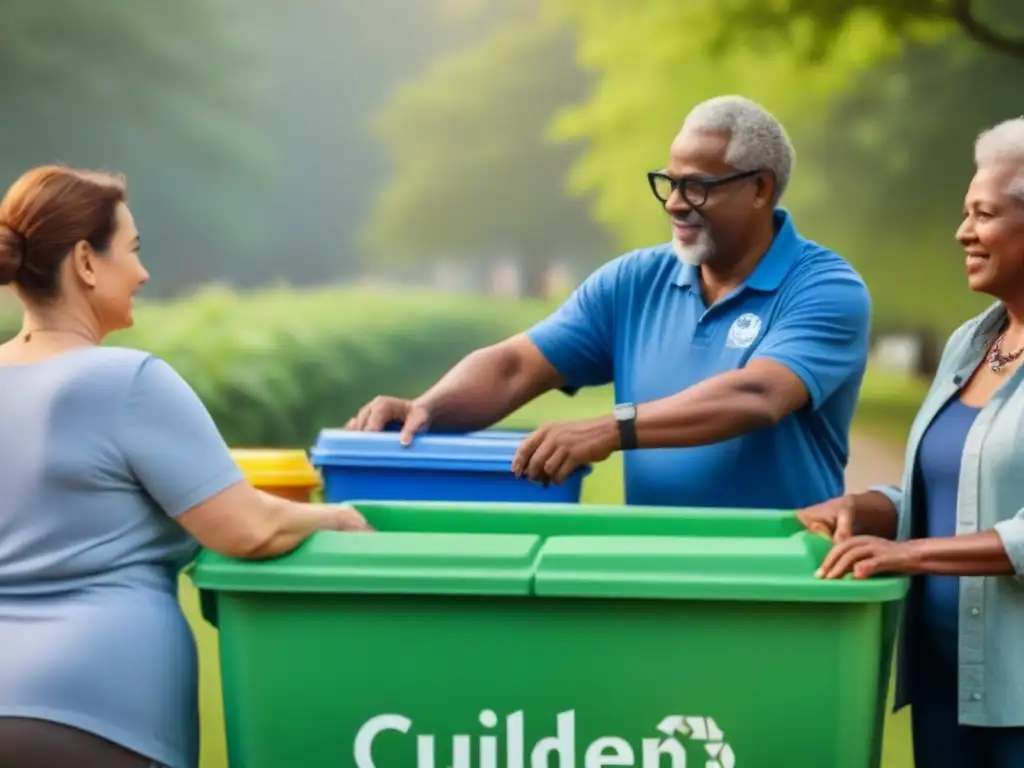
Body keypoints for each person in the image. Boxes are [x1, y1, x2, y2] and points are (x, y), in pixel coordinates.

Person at [0, 165, 372, 768]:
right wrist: (338, 521)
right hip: (100, 714)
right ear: (85, 263)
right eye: (132, 251)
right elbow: (247, 528)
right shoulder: (128, 382)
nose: (143, 273)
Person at [348, 95, 872, 510]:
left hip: (781, 583)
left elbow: (757, 395)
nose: (674, 203)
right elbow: (514, 366)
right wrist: (428, 408)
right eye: (668, 182)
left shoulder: (825, 288)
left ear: (760, 189)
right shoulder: (633, 281)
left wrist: (611, 428)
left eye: (696, 187)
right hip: (648, 576)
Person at [800, 117, 1024, 768]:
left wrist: (910, 553)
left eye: (983, 214)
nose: (962, 233)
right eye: (964, 213)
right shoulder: (969, 345)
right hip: (945, 683)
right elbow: (963, 485)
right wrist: (873, 509)